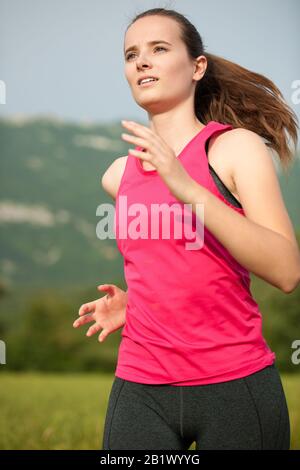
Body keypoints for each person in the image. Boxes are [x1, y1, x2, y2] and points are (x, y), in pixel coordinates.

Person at [73, 8, 300, 450]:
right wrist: (138, 304)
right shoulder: (118, 175)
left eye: (159, 49)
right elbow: (180, 264)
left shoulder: (235, 148)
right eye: (131, 54)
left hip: (234, 386)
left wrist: (187, 187)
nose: (142, 62)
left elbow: (287, 271)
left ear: (197, 67)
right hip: (140, 386)